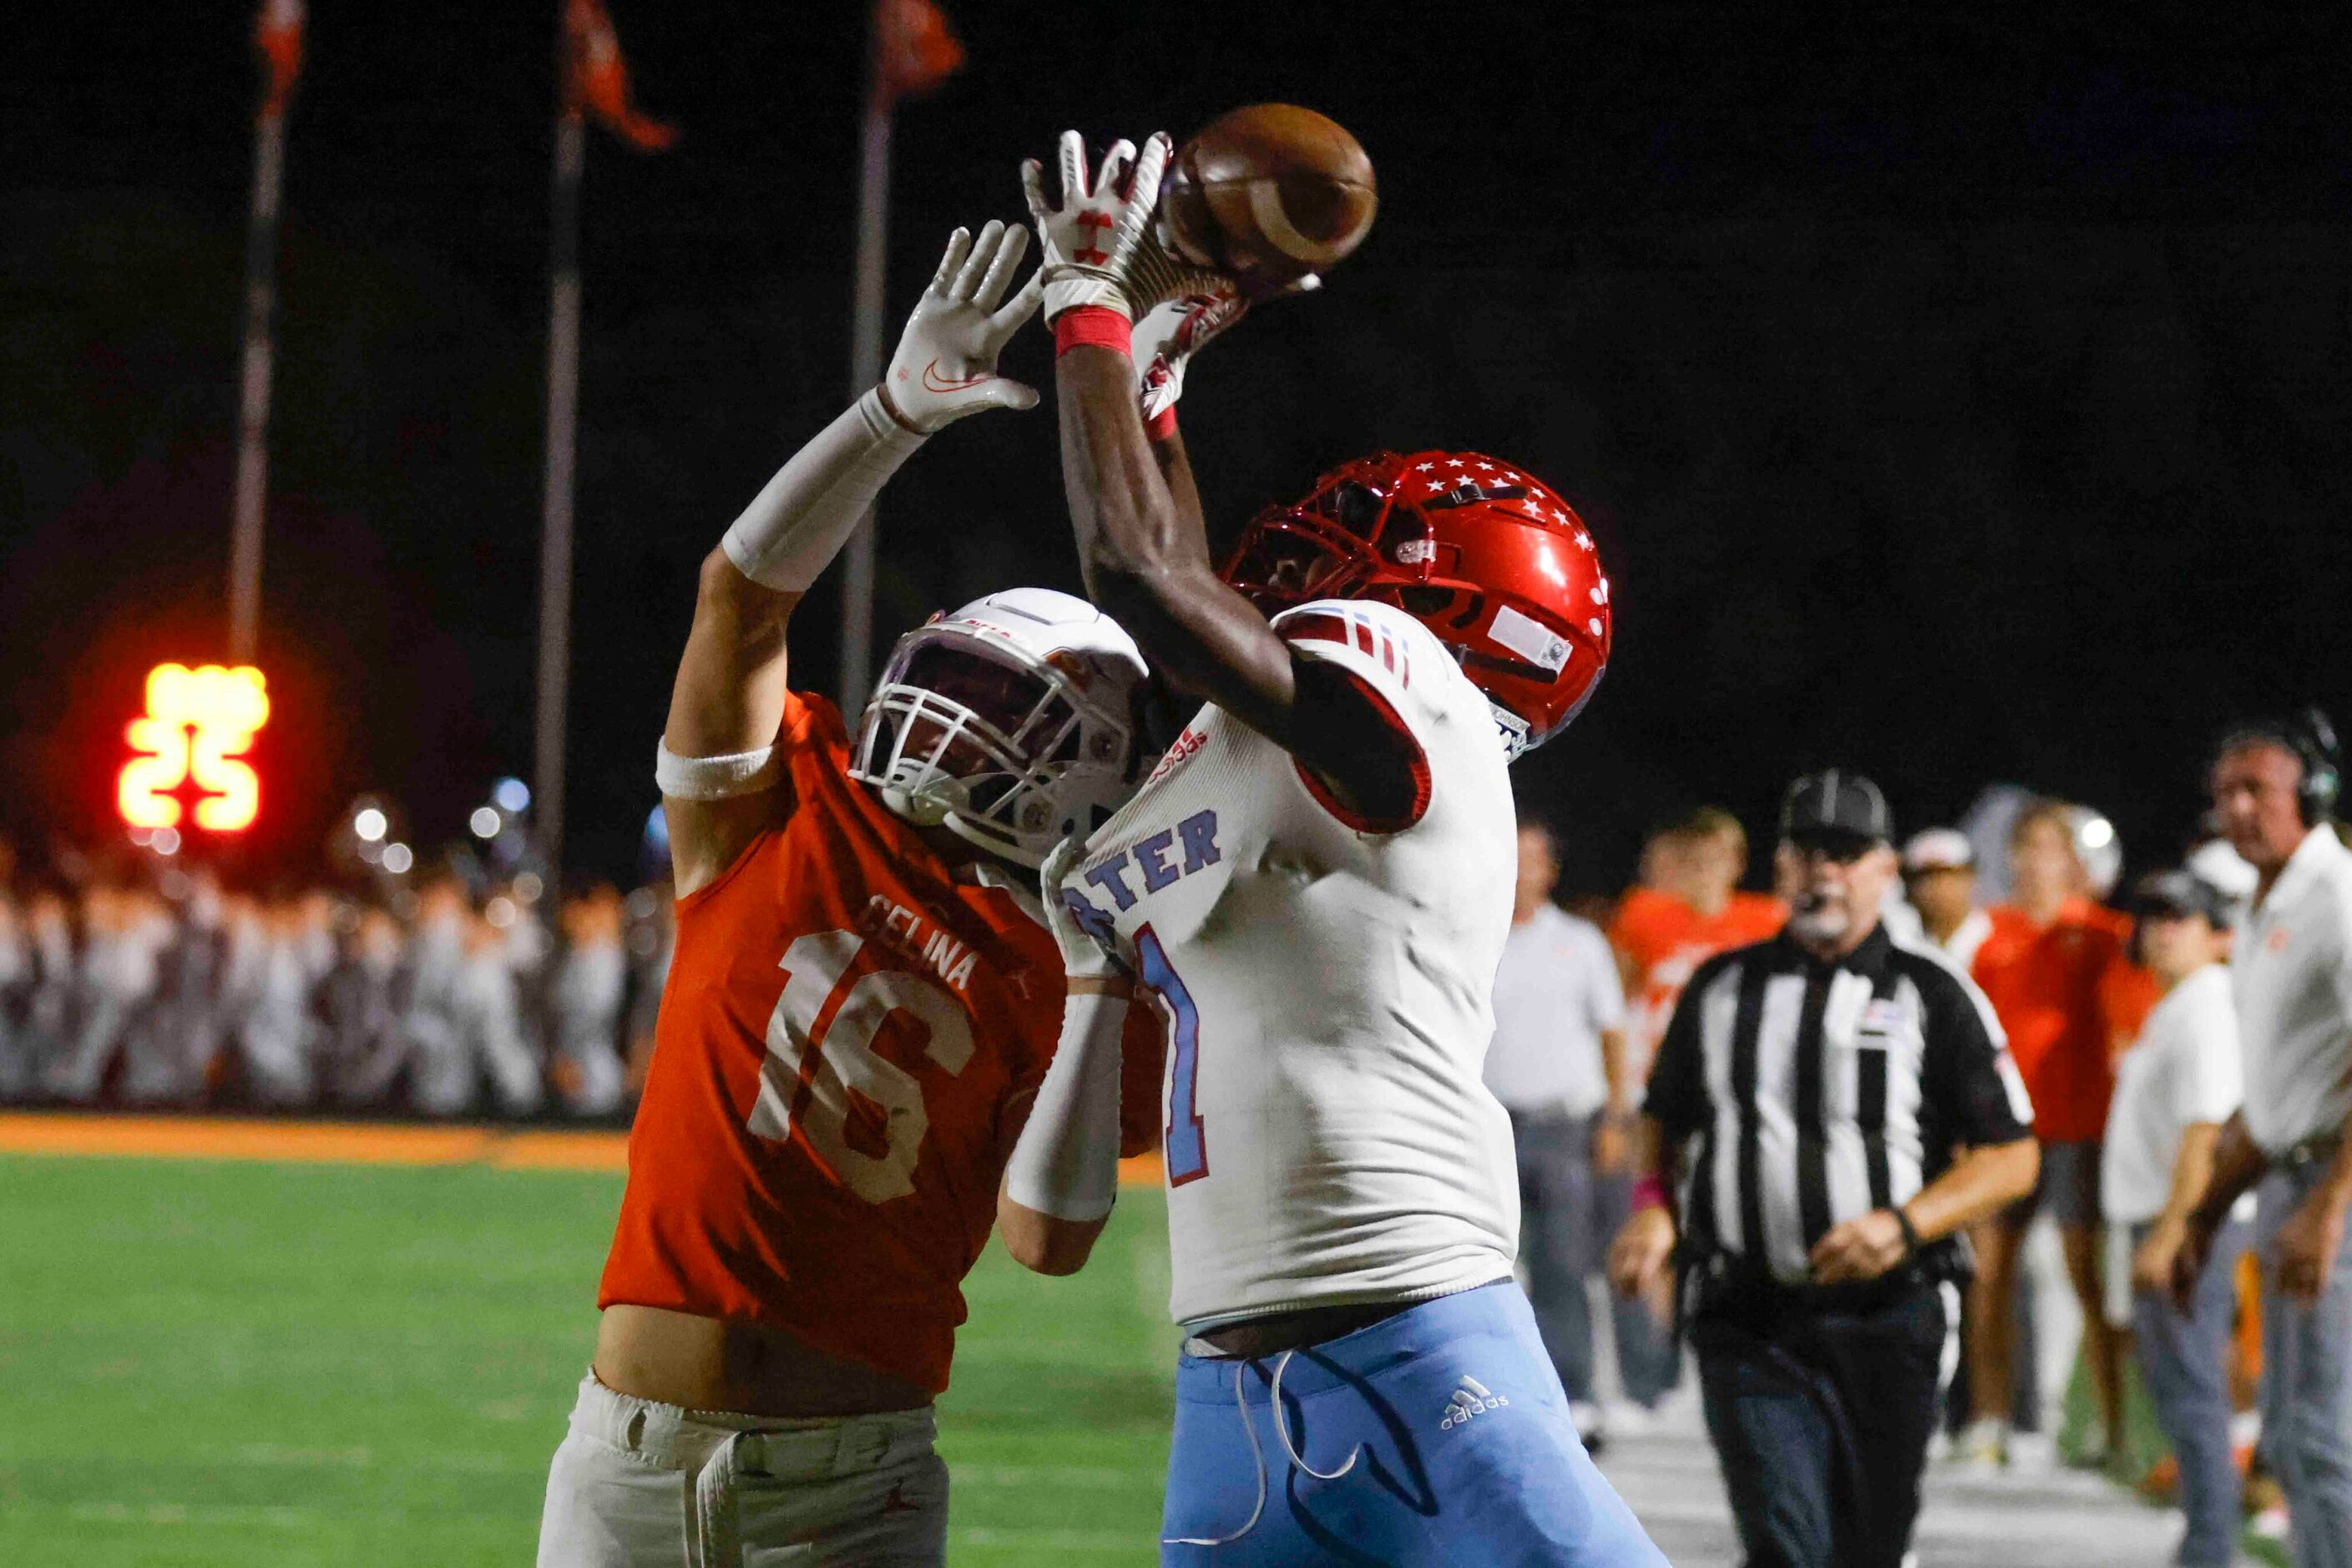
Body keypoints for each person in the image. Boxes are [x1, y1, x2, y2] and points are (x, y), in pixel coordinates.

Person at [1014, 129, 1662, 1565]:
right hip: (1229, 1381)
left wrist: (1090, 309)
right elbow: (1174, 606)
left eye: (1369, 534)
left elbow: (1143, 575)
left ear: (1449, 608)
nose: (1307, 543)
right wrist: (1160, 393)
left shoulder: (1401, 680)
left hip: (1420, 1344)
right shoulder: (1283, 752)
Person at [535, 220, 1164, 1568]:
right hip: (625, 1449)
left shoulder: (1072, 963)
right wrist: (886, 418)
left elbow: (1049, 1240)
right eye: (950, 672)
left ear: (1095, 762)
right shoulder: (783, 816)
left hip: (852, 1480)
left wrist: (1101, 964)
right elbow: (738, 597)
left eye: (1006, 702)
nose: (946, 713)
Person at [1609, 769, 2040, 1568]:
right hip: (1749, 1314)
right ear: (1780, 867)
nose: (1826, 873)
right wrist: (1651, 1205)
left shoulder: (1933, 994)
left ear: (1883, 870)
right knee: (1784, 1544)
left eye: (1847, 854)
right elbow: (1665, 1119)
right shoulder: (1719, 988)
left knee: (1865, 1550)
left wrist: (1906, 1224)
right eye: (1809, 853)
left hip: (1888, 1315)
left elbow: (2012, 1156)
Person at [2175, 714, 2352, 1568]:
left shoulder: (2337, 894)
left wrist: (2327, 1208)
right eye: (2224, 795)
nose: (2238, 811)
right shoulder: (2262, 903)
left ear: (2312, 796)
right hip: (2293, 1178)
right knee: (2290, 1431)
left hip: (2335, 1186)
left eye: (2258, 791)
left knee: (2321, 1435)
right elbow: (2275, 1100)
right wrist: (2204, 1215)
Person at [1961, 797, 2148, 1469]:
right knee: (1989, 1277)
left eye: (2049, 847)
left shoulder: (2105, 933)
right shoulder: (1991, 933)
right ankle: (1989, 1424)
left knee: (2083, 1280)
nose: (2035, 861)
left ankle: (2108, 1426)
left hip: (2077, 1129)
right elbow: (1974, 1038)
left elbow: (2133, 1012)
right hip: (2006, 1132)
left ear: (2073, 861)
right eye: (2026, 847)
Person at [1482, 812, 1639, 1446]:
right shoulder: (1473, 936)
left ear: (1550, 870)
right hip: (1486, 1127)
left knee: (1561, 1267)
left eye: (1533, 860)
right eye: (1511, 858)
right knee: (1482, 1268)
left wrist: (1613, 1118)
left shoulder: (1579, 942)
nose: (1521, 873)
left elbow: (1610, 1035)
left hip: (1560, 1126)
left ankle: (1573, 1395)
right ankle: (1497, 1396)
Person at [2106, 869, 2246, 1568]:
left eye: (2178, 918)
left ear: (2220, 935)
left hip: (2188, 1226)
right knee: (2179, 1390)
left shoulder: (2206, 1007)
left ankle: (2210, 1548)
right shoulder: (2177, 1004)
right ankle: (2204, 1537)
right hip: (2167, 1219)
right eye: (2151, 916)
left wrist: (2172, 1233)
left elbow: (2204, 1133)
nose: (2158, 930)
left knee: (2191, 1392)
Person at [1903, 827, 1991, 970]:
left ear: (1970, 877)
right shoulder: (1904, 946)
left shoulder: (2007, 943)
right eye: (1924, 876)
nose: (1937, 887)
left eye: (1948, 874)